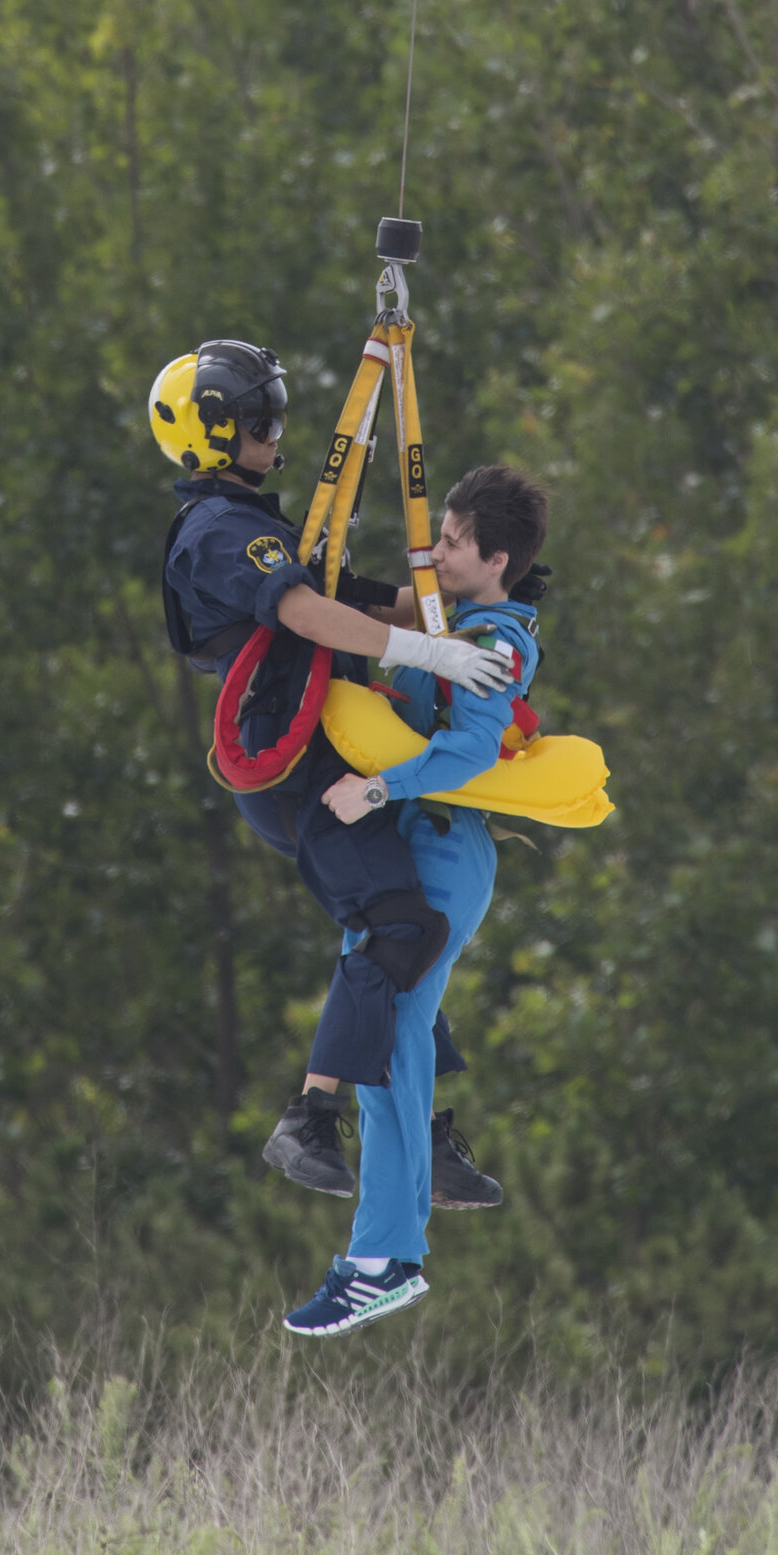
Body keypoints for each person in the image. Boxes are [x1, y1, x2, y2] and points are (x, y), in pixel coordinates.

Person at [154, 341, 507, 1211]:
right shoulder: (216, 535)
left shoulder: (266, 525)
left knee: (408, 931)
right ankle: (310, 1116)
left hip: (328, 753)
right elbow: (307, 611)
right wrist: (430, 654)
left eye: (276, 414)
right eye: (260, 421)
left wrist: (481, 602)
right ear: (215, 437)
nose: (278, 433)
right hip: (290, 770)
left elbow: (361, 594)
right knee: (398, 925)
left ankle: (417, 1126)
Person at [283, 464, 547, 1336]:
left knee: (387, 1052)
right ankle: (400, 1222)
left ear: (497, 558)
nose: (436, 552)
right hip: (407, 854)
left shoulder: (498, 639)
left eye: (456, 542)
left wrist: (379, 790)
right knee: (383, 1044)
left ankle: (384, 1260)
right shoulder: (450, 620)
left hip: (439, 853)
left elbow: (469, 750)